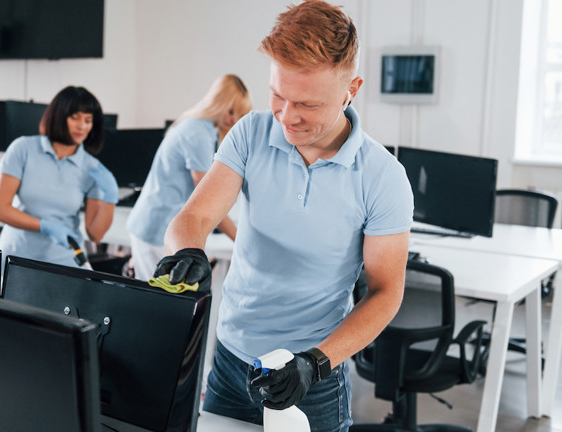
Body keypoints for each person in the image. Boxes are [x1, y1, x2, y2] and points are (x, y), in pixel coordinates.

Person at [152, 2, 414, 431]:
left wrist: (316, 362)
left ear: (353, 88)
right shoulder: (251, 134)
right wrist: (188, 252)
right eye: (278, 95)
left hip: (312, 375)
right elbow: (194, 216)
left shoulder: (383, 178)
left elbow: (386, 293)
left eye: (308, 104)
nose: (287, 117)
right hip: (231, 361)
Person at [125, 74, 252, 281]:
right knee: (160, 304)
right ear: (217, 103)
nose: (234, 120)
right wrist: (240, 239)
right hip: (156, 228)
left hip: (156, 224)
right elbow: (207, 196)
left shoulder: (198, 127)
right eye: (230, 111)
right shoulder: (198, 133)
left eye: (239, 114)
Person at [0, 85, 118, 270]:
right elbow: (0, 210)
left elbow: (95, 235)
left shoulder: (92, 168)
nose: (82, 126)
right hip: (17, 256)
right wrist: (45, 226)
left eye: (88, 120)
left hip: (64, 263)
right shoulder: (23, 149)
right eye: (74, 118)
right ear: (58, 117)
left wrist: (110, 197)